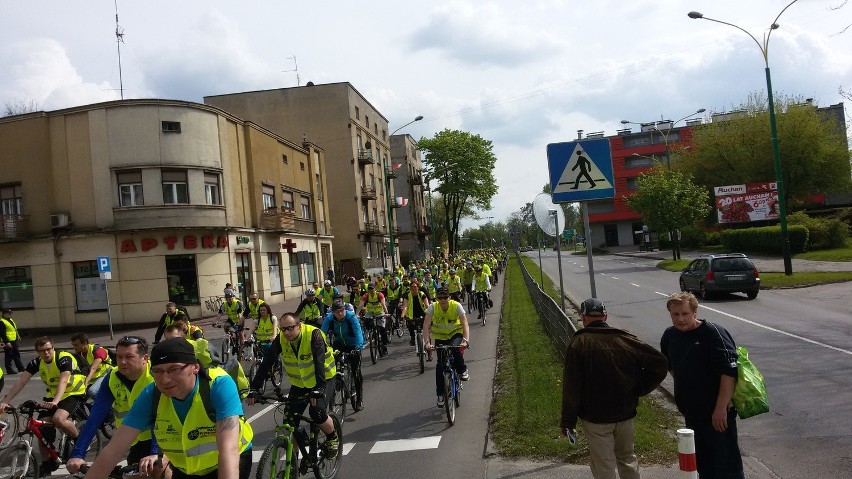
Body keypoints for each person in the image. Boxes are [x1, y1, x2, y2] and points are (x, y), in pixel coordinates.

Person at [83, 338, 254, 479]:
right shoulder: (151, 395)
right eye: (157, 371)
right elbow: (112, 450)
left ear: (195, 367)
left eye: (174, 370)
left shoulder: (219, 385)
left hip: (228, 459)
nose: (165, 380)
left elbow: (228, 450)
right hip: (184, 467)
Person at [560, 298, 668, 479]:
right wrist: (638, 389)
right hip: (625, 414)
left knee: (604, 466)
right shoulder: (625, 340)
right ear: (605, 316)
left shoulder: (579, 343)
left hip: (596, 418)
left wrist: (568, 422)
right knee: (627, 459)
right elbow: (660, 363)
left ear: (583, 318)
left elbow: (572, 386)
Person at [660, 292, 744, 479]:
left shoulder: (713, 333)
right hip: (692, 412)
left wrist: (721, 408)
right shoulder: (669, 336)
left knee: (727, 466)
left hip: (718, 414)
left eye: (685, 314)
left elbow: (729, 373)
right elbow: (671, 366)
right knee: (703, 464)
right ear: (670, 314)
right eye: (676, 314)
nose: (680, 319)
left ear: (695, 312)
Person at [66, 336, 162, 477]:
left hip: (164, 439)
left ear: (145, 358)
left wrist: (155, 453)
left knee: (161, 472)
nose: (123, 362)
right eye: (119, 357)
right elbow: (94, 418)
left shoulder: (156, 376)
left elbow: (160, 419)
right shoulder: (112, 378)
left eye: (129, 356)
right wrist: (78, 453)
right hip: (134, 441)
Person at [248, 313, 340, 458]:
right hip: (300, 383)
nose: (286, 333)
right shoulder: (282, 339)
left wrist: (319, 388)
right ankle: (293, 462)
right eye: (283, 329)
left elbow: (319, 363)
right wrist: (254, 387)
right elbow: (267, 362)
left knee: (317, 413)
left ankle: (332, 436)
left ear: (299, 325)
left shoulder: (314, 335)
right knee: (289, 421)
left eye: (290, 328)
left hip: (324, 379)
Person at [0, 336, 87, 475]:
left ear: (53, 348)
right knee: (41, 428)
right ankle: (48, 464)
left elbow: (64, 380)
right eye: (42, 350)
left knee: (58, 418)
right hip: (53, 395)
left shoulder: (64, 358)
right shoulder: (37, 362)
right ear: (38, 352)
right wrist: (6, 401)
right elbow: (21, 382)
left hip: (73, 392)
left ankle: (81, 443)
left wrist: (55, 402)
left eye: (48, 349)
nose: (46, 353)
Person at [424, 288, 470, 407]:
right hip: (440, 337)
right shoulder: (432, 307)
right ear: (437, 298)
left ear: (449, 297)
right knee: (440, 365)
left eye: (445, 297)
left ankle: (462, 370)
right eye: (440, 298)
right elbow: (426, 325)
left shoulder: (456, 306)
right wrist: (427, 343)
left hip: (455, 334)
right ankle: (440, 394)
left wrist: (465, 340)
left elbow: (464, 323)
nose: (443, 300)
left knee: (456, 349)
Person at [321, 302, 366, 411]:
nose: (340, 313)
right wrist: (319, 346)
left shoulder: (351, 317)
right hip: (340, 343)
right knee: (333, 360)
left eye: (342, 311)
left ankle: (359, 399)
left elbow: (358, 332)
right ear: (333, 312)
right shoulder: (330, 318)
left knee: (356, 372)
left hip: (353, 344)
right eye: (337, 312)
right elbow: (322, 333)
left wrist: (358, 347)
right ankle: (338, 379)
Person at [70, 332, 114, 399]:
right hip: (93, 378)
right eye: (73, 345)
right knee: (77, 394)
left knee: (92, 391)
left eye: (76, 345)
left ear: (84, 343)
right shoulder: (79, 354)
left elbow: (93, 368)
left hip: (106, 374)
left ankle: (108, 405)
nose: (74, 347)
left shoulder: (98, 350)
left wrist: (86, 383)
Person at [359, 283, 389, 352]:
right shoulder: (366, 296)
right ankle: (371, 333)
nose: (370, 290)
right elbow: (360, 305)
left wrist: (386, 313)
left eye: (372, 288)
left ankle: (384, 345)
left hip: (379, 313)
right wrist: (356, 314)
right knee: (366, 322)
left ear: (374, 288)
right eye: (369, 289)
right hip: (370, 313)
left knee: (382, 329)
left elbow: (383, 305)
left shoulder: (379, 295)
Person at [400, 281, 430, 349]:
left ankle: (429, 351)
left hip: (422, 314)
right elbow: (405, 307)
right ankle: (413, 338)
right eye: (412, 287)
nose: (413, 288)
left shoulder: (422, 294)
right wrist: (402, 316)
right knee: (410, 326)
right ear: (410, 288)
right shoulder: (407, 295)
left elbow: (427, 305)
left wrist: (430, 314)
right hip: (411, 315)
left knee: (426, 331)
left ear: (418, 288)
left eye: (415, 287)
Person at [0, 308, 26, 373]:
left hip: (13, 340)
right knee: (9, 355)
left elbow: (14, 329)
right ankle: (9, 369)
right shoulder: (2, 322)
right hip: (8, 341)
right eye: (9, 313)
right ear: (4, 314)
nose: (10, 314)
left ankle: (20, 368)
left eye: (11, 313)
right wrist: (6, 342)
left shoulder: (10, 320)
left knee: (16, 354)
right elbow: (2, 333)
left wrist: (18, 336)